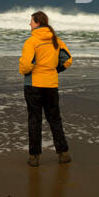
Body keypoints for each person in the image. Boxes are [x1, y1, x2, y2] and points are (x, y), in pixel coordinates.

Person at [19, 11, 72, 167]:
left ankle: (34, 156)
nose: (29, 24)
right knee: (54, 119)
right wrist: (55, 70)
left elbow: (27, 65)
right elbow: (68, 60)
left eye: (31, 22)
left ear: (37, 22)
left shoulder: (32, 41)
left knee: (35, 120)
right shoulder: (56, 40)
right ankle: (63, 154)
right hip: (51, 85)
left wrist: (23, 70)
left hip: (33, 85)